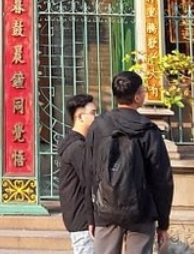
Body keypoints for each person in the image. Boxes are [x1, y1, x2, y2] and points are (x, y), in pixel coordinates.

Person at [84, 71, 174, 254]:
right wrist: (163, 222)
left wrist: (91, 216)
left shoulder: (99, 126)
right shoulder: (149, 130)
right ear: (137, 96)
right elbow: (161, 179)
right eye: (143, 90)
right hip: (142, 210)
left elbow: (89, 172)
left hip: (105, 207)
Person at [59, 93, 98, 254]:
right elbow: (89, 184)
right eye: (94, 113)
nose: (97, 117)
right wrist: (91, 219)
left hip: (78, 216)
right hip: (82, 218)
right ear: (80, 116)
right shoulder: (77, 147)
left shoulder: (76, 143)